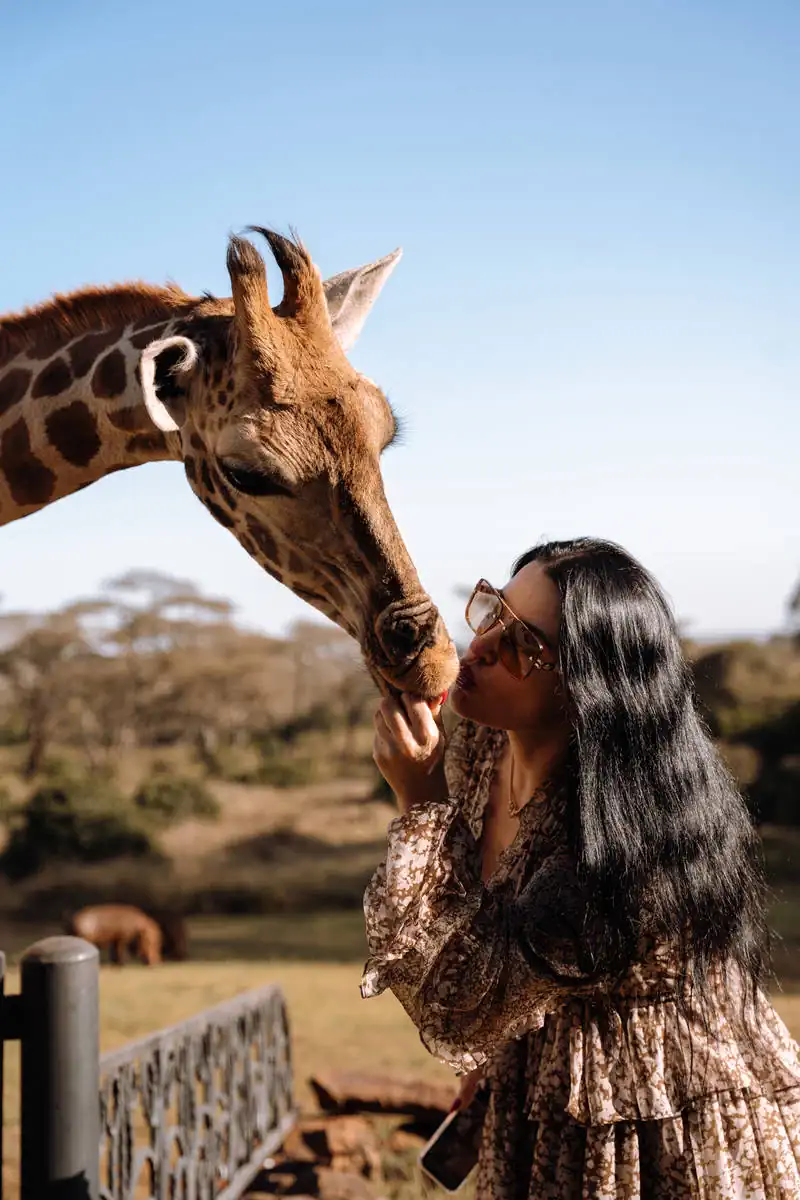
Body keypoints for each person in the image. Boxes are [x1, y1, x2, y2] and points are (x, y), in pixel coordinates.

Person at [363, 538, 800, 1199]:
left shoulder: (623, 851)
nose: (478, 647)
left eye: (520, 646)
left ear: (585, 690)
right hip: (544, 1086)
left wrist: (420, 802)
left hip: (646, 1122)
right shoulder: (485, 752)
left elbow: (460, 1003)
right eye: (491, 612)